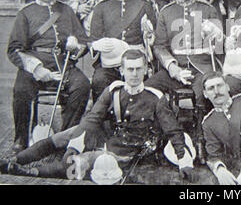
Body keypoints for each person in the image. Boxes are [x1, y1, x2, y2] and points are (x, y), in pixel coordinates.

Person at [0, 50, 197, 183]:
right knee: (64, 136)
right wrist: (75, 144)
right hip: (107, 134)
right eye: (130, 69)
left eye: (138, 69)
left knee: (80, 163)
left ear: (145, 70)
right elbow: (93, 119)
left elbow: (173, 130)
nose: (134, 74)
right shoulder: (113, 90)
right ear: (122, 71)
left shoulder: (156, 98)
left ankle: (26, 172)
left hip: (128, 149)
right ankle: (16, 159)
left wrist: (184, 161)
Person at [7, 0, 91, 152]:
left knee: (82, 85)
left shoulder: (67, 11)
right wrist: (37, 69)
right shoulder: (26, 13)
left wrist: (75, 44)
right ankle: (21, 138)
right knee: (21, 88)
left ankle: (64, 137)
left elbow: (84, 41)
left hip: (63, 63)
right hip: (35, 64)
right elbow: (14, 49)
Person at [145, 0, 223, 163]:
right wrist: (173, 68)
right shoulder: (166, 12)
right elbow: (160, 46)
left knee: (201, 95)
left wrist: (216, 35)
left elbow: (220, 46)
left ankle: (201, 142)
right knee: (149, 89)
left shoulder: (209, 10)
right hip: (174, 67)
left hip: (202, 68)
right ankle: (158, 138)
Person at [90, 0, 158, 104]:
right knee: (99, 80)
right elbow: (93, 39)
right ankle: (104, 123)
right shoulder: (102, 7)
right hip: (110, 63)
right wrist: (96, 45)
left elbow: (154, 39)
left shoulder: (145, 5)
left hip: (136, 61)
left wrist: (149, 36)